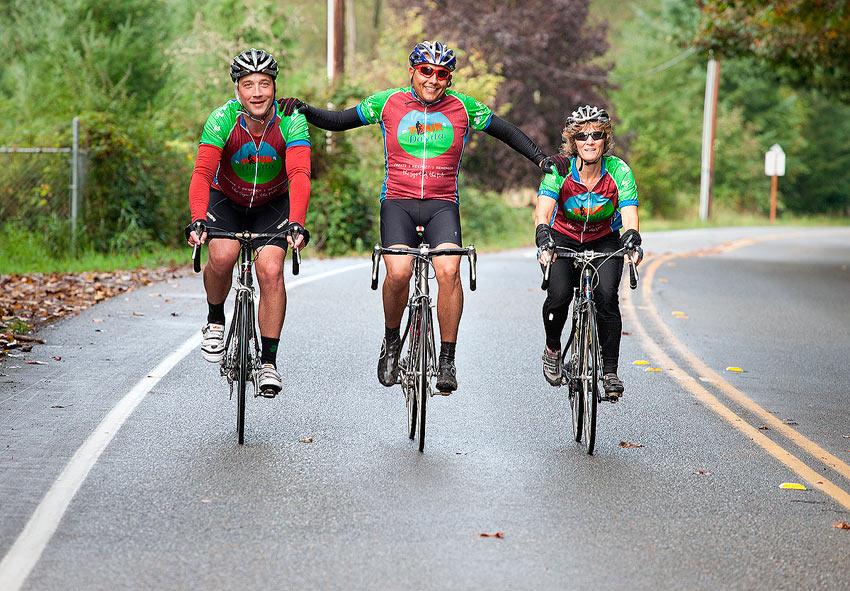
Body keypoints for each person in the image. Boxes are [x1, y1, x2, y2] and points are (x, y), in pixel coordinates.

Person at [279, 41, 559, 393]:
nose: (433, 79)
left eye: (442, 74)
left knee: (449, 269)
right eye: (426, 71)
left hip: (442, 204)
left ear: (449, 79)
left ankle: (446, 359)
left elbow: (504, 131)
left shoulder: (462, 107)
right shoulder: (388, 103)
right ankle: (392, 341)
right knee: (398, 271)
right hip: (398, 201)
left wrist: (540, 159)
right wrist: (304, 109)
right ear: (412, 70)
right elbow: (340, 121)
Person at [185, 48, 311, 397]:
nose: (257, 92)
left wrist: (297, 222)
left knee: (270, 270)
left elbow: (299, 174)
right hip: (226, 199)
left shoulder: (291, 119)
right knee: (223, 255)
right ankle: (214, 319)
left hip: (272, 203)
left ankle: (268, 362)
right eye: (248, 84)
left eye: (265, 84)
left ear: (274, 86)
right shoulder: (222, 119)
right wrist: (198, 219)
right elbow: (202, 172)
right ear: (237, 89)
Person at [533, 105, 641, 399]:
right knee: (558, 296)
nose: (589, 141)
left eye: (596, 134)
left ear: (605, 140)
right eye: (582, 135)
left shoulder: (619, 171)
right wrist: (543, 237)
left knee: (607, 296)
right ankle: (553, 348)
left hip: (605, 239)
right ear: (573, 141)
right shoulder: (561, 170)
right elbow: (543, 211)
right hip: (564, 237)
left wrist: (632, 238)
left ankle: (609, 371)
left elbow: (629, 214)